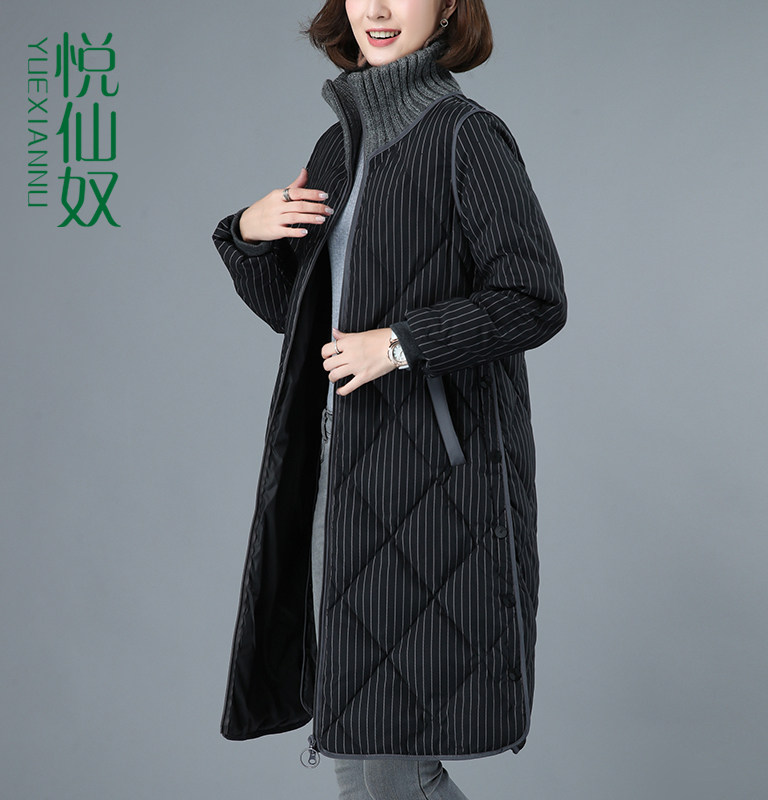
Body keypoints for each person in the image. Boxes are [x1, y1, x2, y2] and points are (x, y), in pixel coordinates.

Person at [211, 1, 567, 798]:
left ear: (449, 6)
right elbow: (304, 322)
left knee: (390, 764)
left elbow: (535, 296)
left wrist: (400, 343)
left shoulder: (467, 137)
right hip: (345, 477)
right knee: (360, 748)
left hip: (436, 486)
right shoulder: (336, 149)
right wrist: (248, 235)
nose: (376, 9)